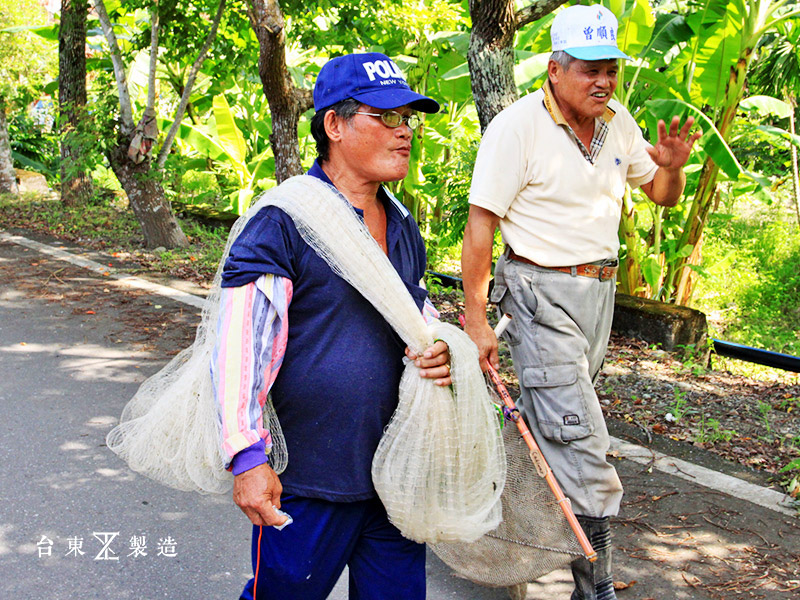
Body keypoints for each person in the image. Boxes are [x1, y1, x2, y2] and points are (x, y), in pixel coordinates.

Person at [461, 5, 701, 600]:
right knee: (582, 441)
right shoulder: (516, 128)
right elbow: (480, 228)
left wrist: (673, 167)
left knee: (553, 433)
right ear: (555, 68)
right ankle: (597, 588)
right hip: (540, 295)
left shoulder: (617, 122)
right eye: (590, 69)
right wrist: (474, 317)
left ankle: (496, 537)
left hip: (598, 297)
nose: (604, 81)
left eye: (611, 69)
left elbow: (663, 195)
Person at [211, 53, 448, 600]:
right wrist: (248, 457)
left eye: (409, 118)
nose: (405, 131)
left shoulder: (404, 225)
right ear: (334, 126)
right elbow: (240, 346)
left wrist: (439, 348)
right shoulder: (283, 222)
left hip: (394, 476)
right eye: (385, 117)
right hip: (307, 479)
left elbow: (415, 313)